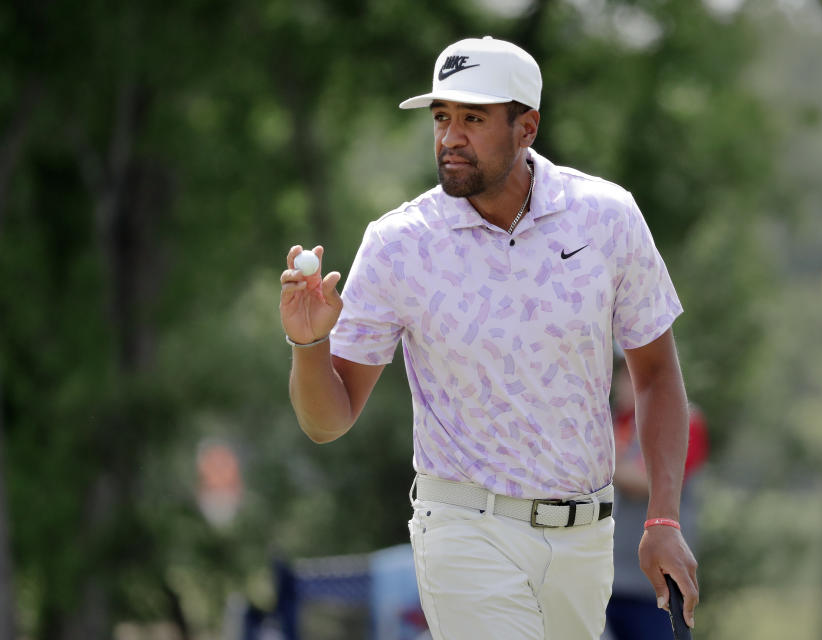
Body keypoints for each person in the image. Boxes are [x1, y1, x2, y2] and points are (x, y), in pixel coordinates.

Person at [279, 36, 698, 640]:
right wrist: (309, 345)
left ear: (526, 127)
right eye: (442, 118)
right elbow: (327, 420)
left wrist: (662, 517)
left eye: (473, 119)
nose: (450, 137)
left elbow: (656, 375)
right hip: (464, 528)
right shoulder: (399, 243)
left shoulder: (607, 218)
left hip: (585, 539)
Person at [605, 357, 708, 639]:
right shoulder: (611, 423)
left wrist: (597, 461)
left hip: (655, 584)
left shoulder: (685, 421)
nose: (628, 382)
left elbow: (647, 482)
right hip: (607, 578)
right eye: (624, 373)